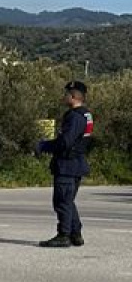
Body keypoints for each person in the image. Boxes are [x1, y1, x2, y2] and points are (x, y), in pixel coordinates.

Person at [38, 80, 94, 248]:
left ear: (73, 96)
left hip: (68, 164)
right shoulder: (85, 115)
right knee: (68, 200)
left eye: (66, 94)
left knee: (62, 201)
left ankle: (64, 235)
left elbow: (65, 142)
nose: (64, 97)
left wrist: (43, 146)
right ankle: (75, 233)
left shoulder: (75, 117)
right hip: (76, 163)